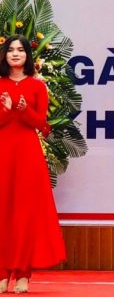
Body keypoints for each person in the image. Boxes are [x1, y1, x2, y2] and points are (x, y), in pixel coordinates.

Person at [0, 34, 65, 294]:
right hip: (3, 153)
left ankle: (23, 273)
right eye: (10, 50)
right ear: (4, 55)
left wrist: (24, 110)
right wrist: (6, 110)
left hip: (28, 155)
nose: (15, 54)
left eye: (20, 50)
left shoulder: (37, 86)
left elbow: (44, 127)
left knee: (25, 214)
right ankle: (2, 272)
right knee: (3, 211)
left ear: (28, 55)